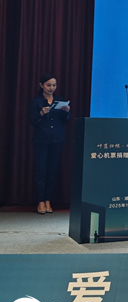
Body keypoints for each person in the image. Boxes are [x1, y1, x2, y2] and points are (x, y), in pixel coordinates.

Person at [28, 73, 70, 214]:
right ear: (41, 85)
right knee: (41, 171)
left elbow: (65, 121)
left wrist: (66, 112)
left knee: (52, 171)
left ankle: (48, 200)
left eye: (54, 85)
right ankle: (40, 201)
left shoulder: (59, 100)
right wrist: (41, 113)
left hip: (57, 139)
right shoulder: (36, 101)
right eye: (48, 85)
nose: (51, 87)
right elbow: (32, 121)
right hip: (41, 139)